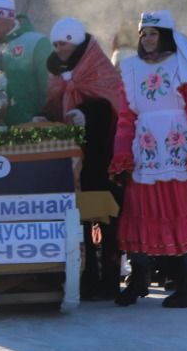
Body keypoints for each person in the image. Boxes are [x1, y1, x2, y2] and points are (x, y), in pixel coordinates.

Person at [111, 10, 187, 308]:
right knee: (141, 214)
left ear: (165, 35)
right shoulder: (130, 69)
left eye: (152, 33)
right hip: (146, 151)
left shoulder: (184, 65)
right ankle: (139, 279)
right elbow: (126, 117)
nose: (147, 39)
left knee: (183, 213)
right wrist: (122, 153)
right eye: (143, 34)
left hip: (180, 151)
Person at [43, 18, 126, 300]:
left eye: (63, 43)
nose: (59, 49)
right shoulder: (58, 72)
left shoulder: (98, 67)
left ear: (74, 42)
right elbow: (55, 100)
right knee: (80, 219)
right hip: (72, 157)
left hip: (101, 154)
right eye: (55, 45)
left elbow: (111, 101)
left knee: (104, 217)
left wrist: (88, 115)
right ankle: (87, 275)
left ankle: (111, 277)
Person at [0, 0, 53, 125]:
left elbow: (50, 86)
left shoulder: (35, 42)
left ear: (10, 18)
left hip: (34, 124)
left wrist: (46, 115)